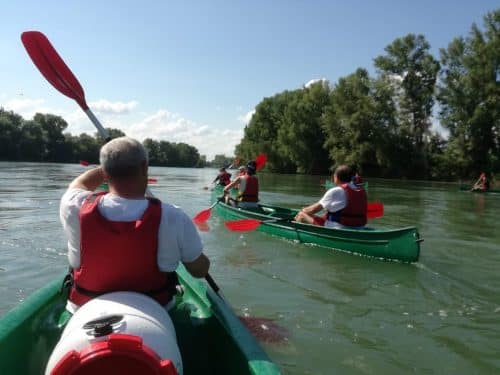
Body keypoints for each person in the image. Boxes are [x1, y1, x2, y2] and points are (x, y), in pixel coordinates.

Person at [59, 136, 210, 313]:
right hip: (156, 310)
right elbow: (199, 271)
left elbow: (79, 184)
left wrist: (109, 165)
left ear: (105, 172)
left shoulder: (74, 205)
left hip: (84, 308)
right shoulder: (173, 216)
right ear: (144, 167)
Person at [294, 164, 367, 228]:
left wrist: (304, 210)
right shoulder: (360, 190)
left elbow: (313, 210)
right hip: (360, 227)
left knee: (302, 214)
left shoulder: (336, 190)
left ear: (336, 177)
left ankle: (298, 230)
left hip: (339, 227)